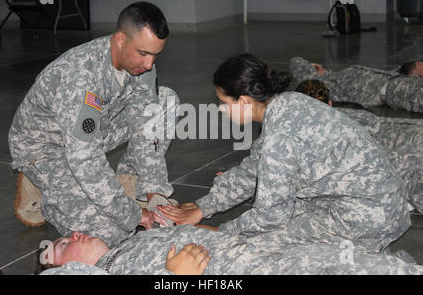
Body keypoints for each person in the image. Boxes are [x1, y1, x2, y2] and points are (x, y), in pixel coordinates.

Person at [159, 53, 410, 254]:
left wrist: (221, 232)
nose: (222, 111)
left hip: (370, 218)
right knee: (287, 212)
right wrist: (204, 207)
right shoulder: (287, 102)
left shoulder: (280, 138)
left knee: (262, 243)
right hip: (380, 201)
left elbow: (270, 218)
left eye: (224, 103)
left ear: (244, 101)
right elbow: (252, 169)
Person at [8, 2, 179, 247]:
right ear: (120, 39)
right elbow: (84, 159)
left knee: (164, 102)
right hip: (45, 148)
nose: (150, 64)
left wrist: (155, 192)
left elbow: (146, 126)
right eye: (143, 53)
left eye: (155, 55)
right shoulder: (80, 76)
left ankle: (129, 184)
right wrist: (131, 215)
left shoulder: (142, 66)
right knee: (108, 234)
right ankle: (45, 187)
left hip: (90, 130)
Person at [37, 226, 423, 275]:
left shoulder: (130, 244)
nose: (73, 234)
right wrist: (177, 281)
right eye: (60, 246)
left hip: (273, 252)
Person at [295, 80, 423, 213]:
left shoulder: (300, 139)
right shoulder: (344, 121)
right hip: (402, 139)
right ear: (330, 103)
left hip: (396, 156)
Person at [289, 57, 423, 113]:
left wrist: (323, 71)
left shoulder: (335, 76)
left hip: (398, 82)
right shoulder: (322, 87)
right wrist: (313, 71)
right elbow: (296, 61)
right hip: (392, 89)